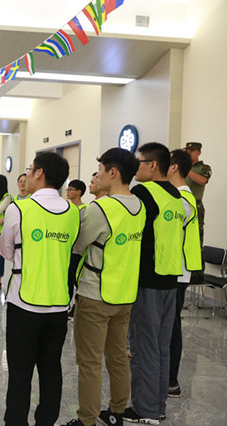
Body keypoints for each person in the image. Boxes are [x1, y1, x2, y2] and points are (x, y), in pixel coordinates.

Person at [62, 148, 146, 426]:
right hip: (125, 294)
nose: (97, 176)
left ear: (113, 172)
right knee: (118, 357)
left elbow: (78, 245)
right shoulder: (139, 207)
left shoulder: (101, 208)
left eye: (99, 170)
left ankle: (87, 419)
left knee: (89, 362)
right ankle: (116, 413)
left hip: (95, 295)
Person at [0, 152, 80, 426]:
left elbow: (7, 251)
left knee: (20, 372)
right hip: (58, 304)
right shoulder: (73, 212)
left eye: (30, 169)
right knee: (51, 369)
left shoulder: (19, 209)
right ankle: (46, 421)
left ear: (40, 173)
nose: (27, 175)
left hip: (24, 303)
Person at [124, 142, 185, 425]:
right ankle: (157, 405)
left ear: (153, 165)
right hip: (170, 278)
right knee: (161, 347)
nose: (135, 167)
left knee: (144, 346)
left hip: (147, 279)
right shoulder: (175, 194)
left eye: (139, 162)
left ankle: (145, 410)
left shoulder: (143, 192)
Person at [167, 149, 202, 400]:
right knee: (170, 325)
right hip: (174, 269)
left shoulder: (181, 198)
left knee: (172, 326)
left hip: (176, 270)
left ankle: (171, 381)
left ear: (174, 167)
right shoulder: (179, 196)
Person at [183, 142, 211, 244]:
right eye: (187, 151)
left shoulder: (204, 168)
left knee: (195, 238)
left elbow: (202, 180)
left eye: (192, 151)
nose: (189, 153)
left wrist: (187, 170)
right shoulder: (180, 167)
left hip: (195, 205)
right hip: (180, 203)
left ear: (199, 152)